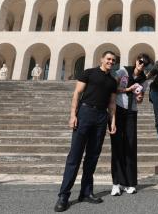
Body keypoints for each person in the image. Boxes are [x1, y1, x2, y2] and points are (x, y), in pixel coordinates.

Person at [54, 51, 118, 212]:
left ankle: (86, 192)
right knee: (74, 156)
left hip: (101, 117)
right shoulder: (89, 73)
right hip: (85, 113)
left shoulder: (112, 81)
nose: (111, 62)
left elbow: (112, 103)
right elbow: (77, 93)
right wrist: (72, 115)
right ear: (102, 59)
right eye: (108, 59)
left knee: (92, 156)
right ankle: (64, 195)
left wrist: (113, 122)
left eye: (113, 60)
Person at [110, 54, 151, 196]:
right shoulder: (123, 71)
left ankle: (129, 183)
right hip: (118, 109)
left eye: (145, 64)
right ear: (136, 60)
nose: (142, 65)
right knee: (117, 145)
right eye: (140, 61)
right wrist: (128, 89)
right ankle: (116, 183)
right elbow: (112, 88)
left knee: (131, 146)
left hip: (132, 112)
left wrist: (139, 97)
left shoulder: (144, 80)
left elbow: (140, 98)